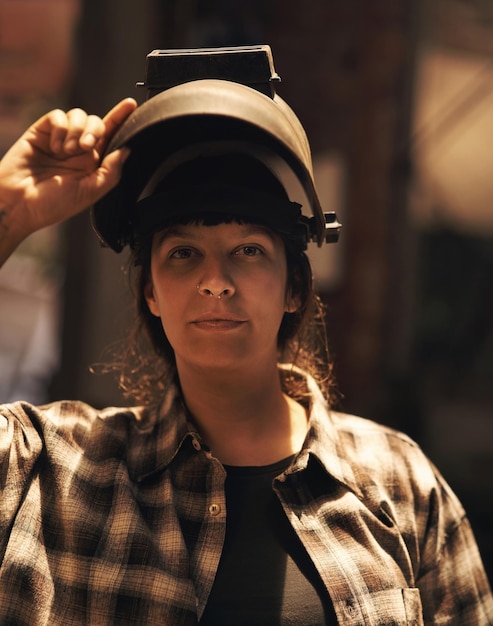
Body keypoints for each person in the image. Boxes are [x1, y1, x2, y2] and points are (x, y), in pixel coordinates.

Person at [0, 48, 492, 626]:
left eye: (249, 251)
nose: (215, 281)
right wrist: (8, 216)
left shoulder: (399, 483)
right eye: (183, 254)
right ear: (151, 294)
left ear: (293, 289)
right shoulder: (53, 469)